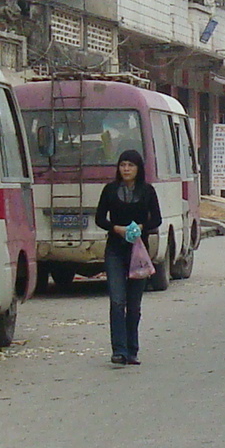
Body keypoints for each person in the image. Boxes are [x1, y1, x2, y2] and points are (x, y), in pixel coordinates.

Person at [94, 150, 162, 367]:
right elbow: (99, 218)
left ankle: (132, 350)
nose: (126, 169)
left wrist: (140, 227)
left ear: (138, 168)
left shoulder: (147, 191)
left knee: (134, 304)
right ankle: (119, 350)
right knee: (117, 301)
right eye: (123, 165)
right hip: (115, 250)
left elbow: (157, 219)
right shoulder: (110, 190)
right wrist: (116, 228)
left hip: (138, 253)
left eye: (130, 165)